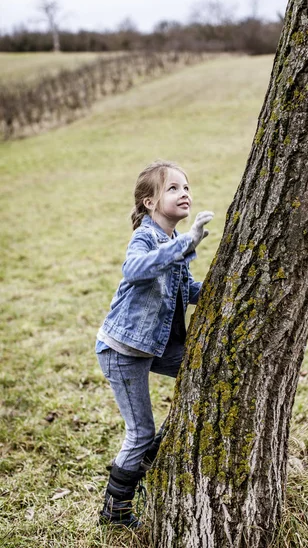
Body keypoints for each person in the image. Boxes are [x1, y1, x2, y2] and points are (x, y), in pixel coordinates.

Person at [95, 160, 213, 527]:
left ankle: (150, 458)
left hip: (156, 344)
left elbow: (185, 288)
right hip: (124, 350)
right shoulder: (145, 237)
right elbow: (136, 269)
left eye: (187, 187)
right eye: (174, 188)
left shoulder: (176, 241)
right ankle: (115, 513)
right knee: (140, 431)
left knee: (206, 369)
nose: (185, 193)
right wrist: (188, 244)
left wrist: (223, 288)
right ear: (149, 203)